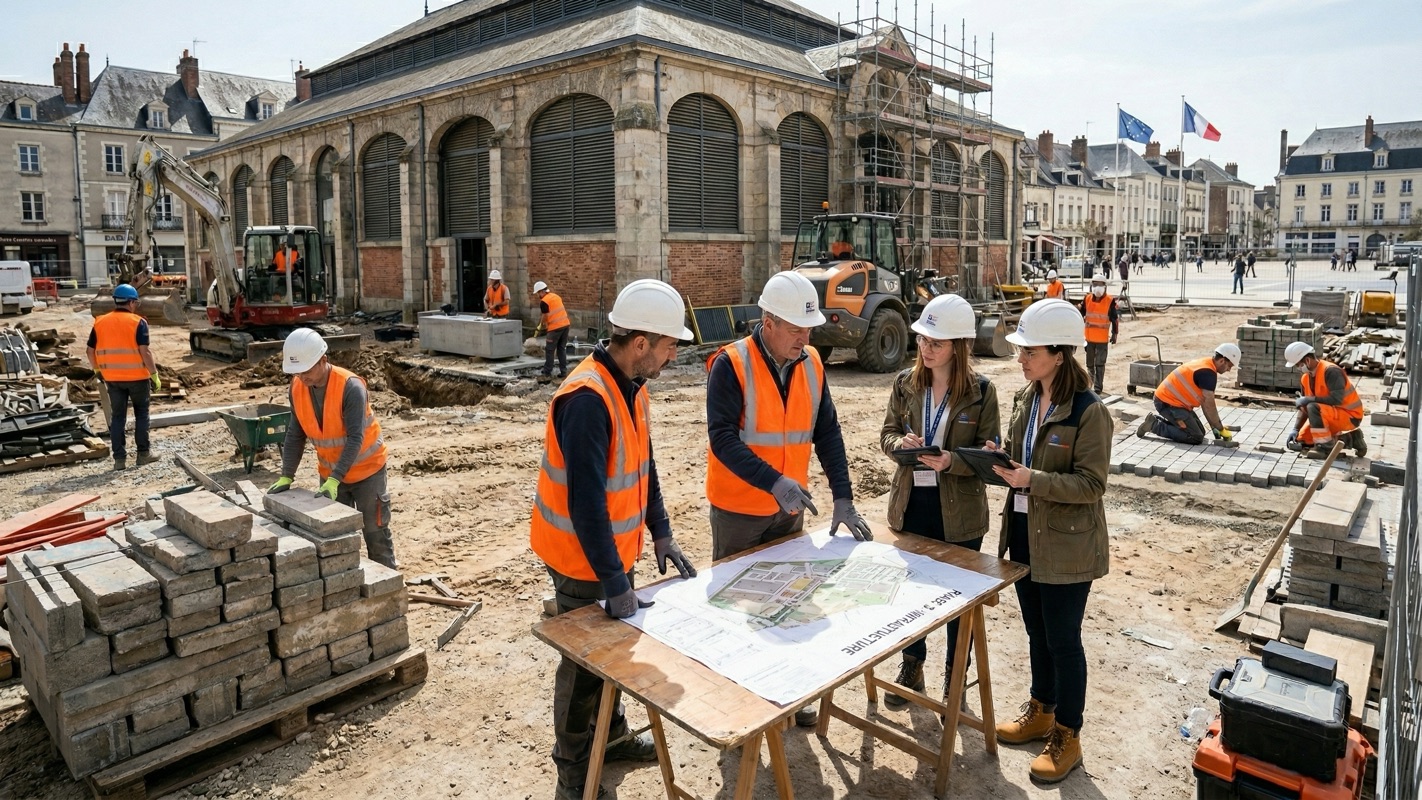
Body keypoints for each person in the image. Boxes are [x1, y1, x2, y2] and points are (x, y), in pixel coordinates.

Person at [530, 279, 698, 800]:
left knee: (614, 655)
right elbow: (586, 504)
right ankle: (573, 775)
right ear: (641, 343)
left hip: (612, 555)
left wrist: (662, 533)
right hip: (580, 560)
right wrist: (611, 581)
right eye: (670, 346)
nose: (674, 356)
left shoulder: (631, 387)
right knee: (583, 671)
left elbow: (643, 468)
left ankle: (615, 735)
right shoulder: (586, 399)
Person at [705, 270, 872, 727]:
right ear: (768, 321)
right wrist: (773, 480)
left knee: (790, 603)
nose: (805, 336)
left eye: (809, 328)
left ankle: (790, 693)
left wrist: (843, 496)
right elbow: (722, 438)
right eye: (796, 328)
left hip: (788, 511)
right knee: (738, 609)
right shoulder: (731, 364)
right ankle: (741, 704)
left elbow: (828, 432)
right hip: (739, 510)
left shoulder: (813, 363)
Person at [986, 298, 1110, 784]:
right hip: (1023, 534)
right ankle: (1041, 709)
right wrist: (998, 459)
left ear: (1059, 354)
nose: (1020, 359)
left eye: (1029, 352)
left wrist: (1032, 479)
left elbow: (1091, 485)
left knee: (1063, 640)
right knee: (1037, 632)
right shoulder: (1025, 398)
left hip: (1066, 545)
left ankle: (1068, 734)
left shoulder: (1088, 412)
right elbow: (1021, 459)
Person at [878, 294, 1000, 708]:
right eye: (922, 341)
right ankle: (912, 663)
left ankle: (954, 675)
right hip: (911, 506)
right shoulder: (905, 383)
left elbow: (991, 457)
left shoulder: (983, 392)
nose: (926, 350)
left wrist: (953, 460)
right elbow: (887, 434)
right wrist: (902, 445)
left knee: (958, 602)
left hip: (960, 515)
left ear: (959, 347)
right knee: (912, 597)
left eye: (936, 343)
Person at [268, 329, 398, 569]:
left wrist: (335, 479)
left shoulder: (351, 387)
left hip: (367, 473)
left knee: (375, 534)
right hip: (331, 476)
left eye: (306, 370)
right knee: (336, 540)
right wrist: (287, 473)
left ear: (323, 361)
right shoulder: (297, 387)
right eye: (297, 372)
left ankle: (388, 593)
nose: (301, 377)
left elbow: (355, 438)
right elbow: (296, 434)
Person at [87, 283, 160, 470]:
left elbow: (89, 351)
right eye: (136, 303)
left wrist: (97, 370)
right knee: (141, 415)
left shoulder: (100, 322)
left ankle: (119, 460)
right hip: (138, 378)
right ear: (132, 302)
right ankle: (143, 454)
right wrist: (154, 375)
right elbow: (145, 352)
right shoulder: (138, 322)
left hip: (113, 379)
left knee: (118, 417)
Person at [1137, 343, 1241, 446]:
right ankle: (1154, 425)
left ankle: (1154, 420)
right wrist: (1220, 428)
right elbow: (1209, 406)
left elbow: (1206, 405)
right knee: (1195, 437)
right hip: (1167, 403)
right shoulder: (1207, 373)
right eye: (1229, 366)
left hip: (1174, 402)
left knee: (1201, 432)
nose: (1229, 370)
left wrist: (1214, 427)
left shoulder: (1207, 364)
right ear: (1222, 360)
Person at [1283, 342, 1367, 458]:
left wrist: (1309, 400)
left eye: (1298, 365)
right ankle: (1352, 438)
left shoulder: (1331, 371)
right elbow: (1304, 408)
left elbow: (1336, 399)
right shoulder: (1305, 378)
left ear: (1307, 360)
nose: (1298, 368)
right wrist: (1295, 429)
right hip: (1328, 415)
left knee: (1313, 407)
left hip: (1349, 415)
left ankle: (1325, 448)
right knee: (1303, 440)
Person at [1079, 277, 1119, 394]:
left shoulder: (1109, 300)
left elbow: (1114, 319)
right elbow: (1080, 314)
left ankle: (1097, 388)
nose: (1098, 287)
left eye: (1100, 284)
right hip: (1089, 339)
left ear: (1105, 286)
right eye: (1095, 284)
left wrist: (1114, 334)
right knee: (1090, 364)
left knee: (1100, 365)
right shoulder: (1087, 299)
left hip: (1102, 340)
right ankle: (1090, 387)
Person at [534, 280, 571, 380]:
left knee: (550, 350)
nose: (538, 295)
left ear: (542, 291)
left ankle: (547, 372)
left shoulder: (544, 301)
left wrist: (540, 326)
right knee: (561, 349)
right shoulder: (556, 296)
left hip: (555, 328)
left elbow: (545, 316)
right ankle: (563, 371)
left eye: (538, 293)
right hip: (565, 325)